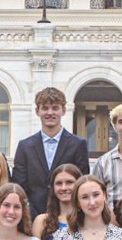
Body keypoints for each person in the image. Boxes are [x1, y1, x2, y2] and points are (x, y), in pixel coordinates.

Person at [11, 86, 90, 217]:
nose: (50, 113)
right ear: (37, 111)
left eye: (55, 108)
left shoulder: (78, 145)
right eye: (45, 108)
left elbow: (81, 183)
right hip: (32, 216)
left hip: (68, 216)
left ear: (63, 110)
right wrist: (31, 213)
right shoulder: (24, 146)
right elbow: (19, 186)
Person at [32, 163, 82, 240]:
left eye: (69, 182)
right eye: (59, 183)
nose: (63, 188)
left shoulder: (88, 221)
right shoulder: (42, 221)